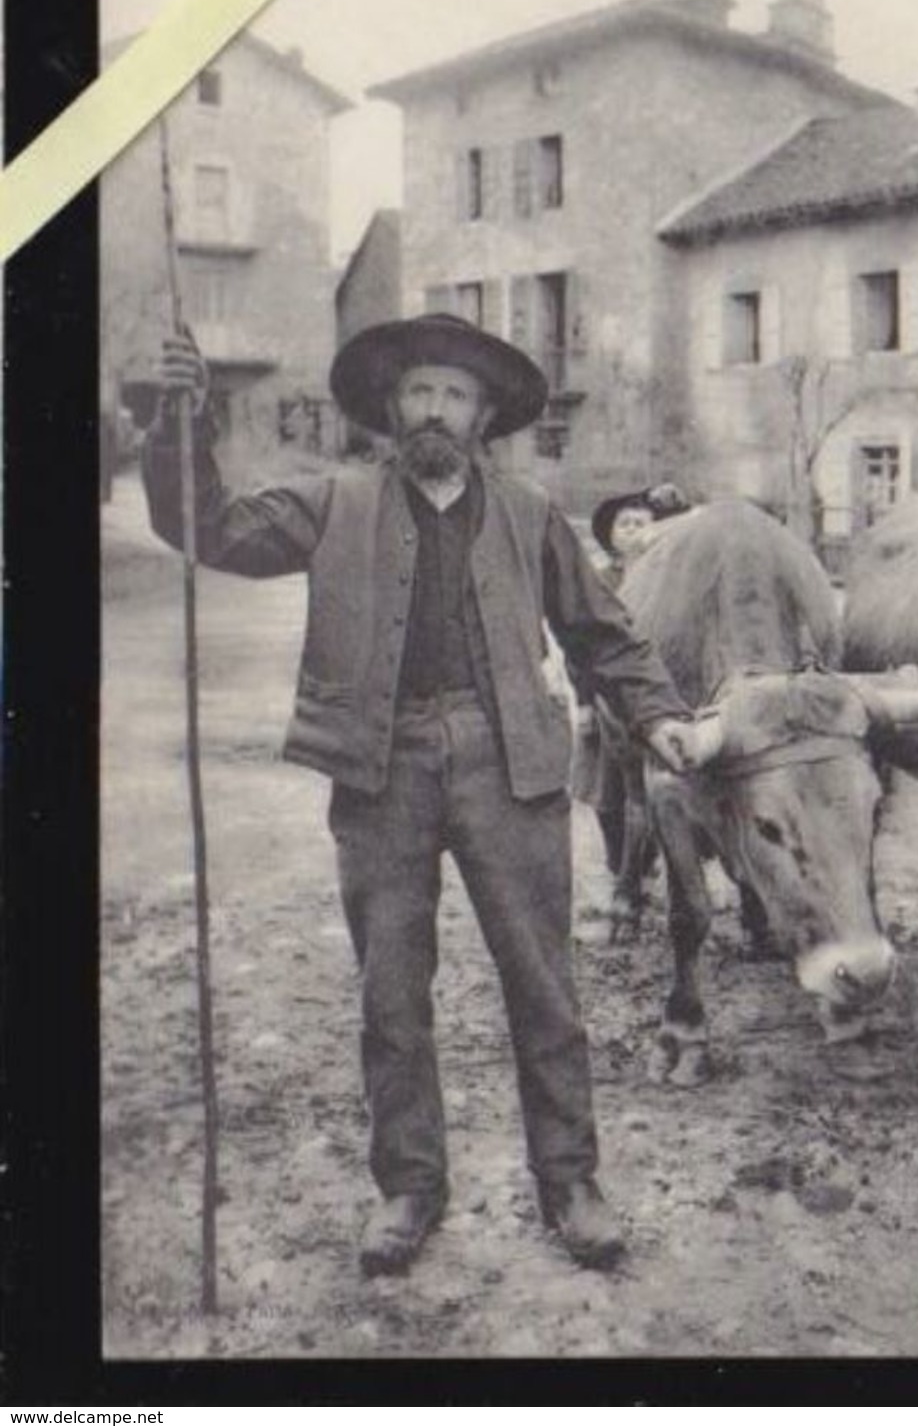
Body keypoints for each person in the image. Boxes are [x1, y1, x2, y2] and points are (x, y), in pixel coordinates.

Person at [143, 312, 701, 1278]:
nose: (434, 408)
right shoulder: (334, 501)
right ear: (391, 409)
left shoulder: (531, 516)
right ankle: (408, 1187)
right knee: (391, 991)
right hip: (380, 764)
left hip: (509, 760)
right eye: (418, 392)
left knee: (545, 987)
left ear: (484, 413)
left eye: (454, 393)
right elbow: (211, 529)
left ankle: (570, 1183)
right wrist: (179, 422)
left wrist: (661, 717)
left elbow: (602, 634)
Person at [573, 484, 694, 875]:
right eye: (624, 524)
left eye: (642, 523)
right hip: (608, 699)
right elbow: (582, 647)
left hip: (654, 699)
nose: (633, 530)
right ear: (610, 536)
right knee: (608, 797)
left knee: (655, 791)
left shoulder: (671, 581)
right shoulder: (600, 582)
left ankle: (646, 861)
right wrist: (585, 702)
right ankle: (618, 865)